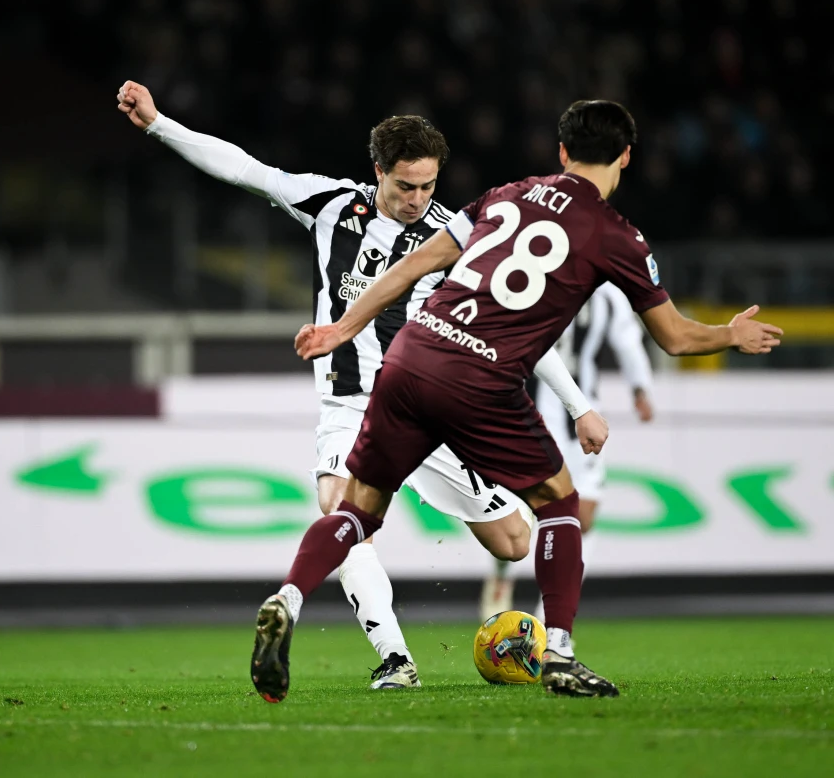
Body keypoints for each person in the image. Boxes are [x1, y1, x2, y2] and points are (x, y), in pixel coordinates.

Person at [271, 99, 782, 701]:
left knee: (357, 512)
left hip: (408, 358)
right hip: (481, 379)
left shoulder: (505, 195)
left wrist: (344, 328)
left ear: (562, 152)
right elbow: (673, 337)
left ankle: (287, 597)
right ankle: (560, 654)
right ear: (625, 156)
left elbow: (414, 264)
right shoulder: (619, 236)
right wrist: (730, 334)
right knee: (559, 502)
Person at [117, 80, 607, 689]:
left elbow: (514, 331)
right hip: (351, 403)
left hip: (433, 406)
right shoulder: (331, 205)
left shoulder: (456, 235)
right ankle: (395, 659)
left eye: (428, 186)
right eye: (405, 186)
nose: (416, 199)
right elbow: (246, 169)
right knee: (340, 510)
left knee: (511, 541)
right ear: (377, 171)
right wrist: (160, 123)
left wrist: (578, 404)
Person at [481, 282, 655, 621]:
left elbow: (627, 338)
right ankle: (502, 574)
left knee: (583, 517)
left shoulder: (609, 293)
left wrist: (640, 386)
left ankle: (545, 619)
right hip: (521, 413)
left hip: (580, 421)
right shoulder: (530, 275)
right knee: (514, 521)